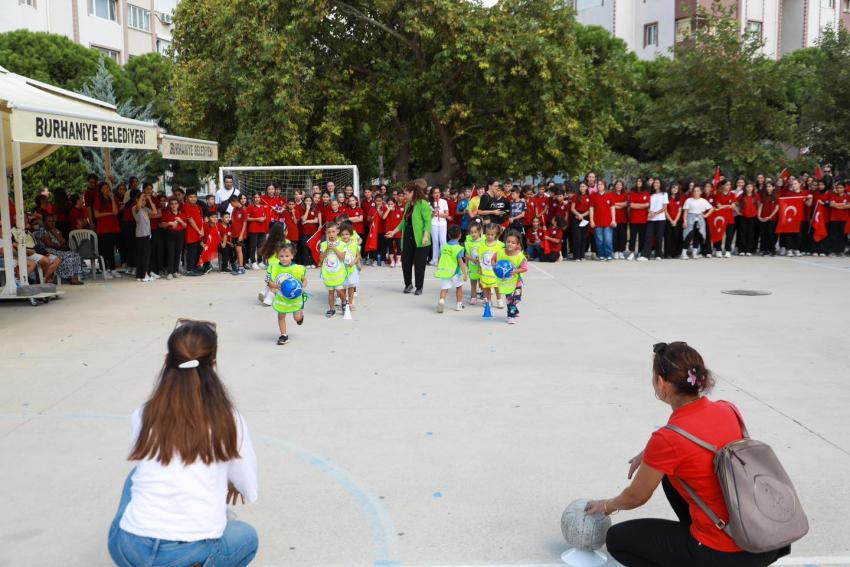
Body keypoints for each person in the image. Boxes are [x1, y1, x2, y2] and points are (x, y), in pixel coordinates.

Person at [585, 341, 789, 567]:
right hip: (761, 540)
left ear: (662, 383)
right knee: (670, 480)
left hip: (723, 554)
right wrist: (650, 453)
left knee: (618, 540)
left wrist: (606, 506)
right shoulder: (727, 408)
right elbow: (699, 440)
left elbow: (636, 497)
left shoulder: (668, 439)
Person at [107, 319, 259, 567]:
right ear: (214, 365)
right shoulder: (229, 420)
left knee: (135, 475)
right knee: (247, 538)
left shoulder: (145, 413)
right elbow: (248, 487)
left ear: (167, 361)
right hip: (186, 554)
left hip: (127, 548)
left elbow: (144, 458)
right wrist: (228, 480)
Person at [385, 181, 432, 295]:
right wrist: (394, 232)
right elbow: (403, 221)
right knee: (406, 262)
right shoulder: (408, 205)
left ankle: (419, 287)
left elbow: (428, 222)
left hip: (420, 238)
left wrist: (426, 235)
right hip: (407, 236)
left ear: (413, 192)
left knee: (419, 264)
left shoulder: (423, 204)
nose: (405, 196)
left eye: (406, 193)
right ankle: (408, 284)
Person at [265, 242, 307, 345]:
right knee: (281, 316)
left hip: (295, 297)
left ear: (292, 256)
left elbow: (304, 280)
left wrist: (302, 286)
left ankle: (300, 315)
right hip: (281, 297)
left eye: (287, 256)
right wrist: (275, 286)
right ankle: (284, 335)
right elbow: (269, 282)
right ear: (277, 256)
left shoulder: (297, 268)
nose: (284, 258)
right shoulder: (274, 268)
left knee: (297, 318)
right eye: (281, 256)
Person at [35, 214, 84, 285]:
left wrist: (56, 234)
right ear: (44, 222)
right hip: (48, 251)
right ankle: (71, 278)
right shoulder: (42, 231)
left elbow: (63, 241)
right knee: (70, 255)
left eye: (53, 221)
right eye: (49, 221)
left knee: (75, 255)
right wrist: (59, 245)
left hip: (58, 250)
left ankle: (74, 278)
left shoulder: (55, 230)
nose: (52, 223)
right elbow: (49, 244)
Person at [493, 229, 527, 324]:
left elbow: (524, 268)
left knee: (516, 299)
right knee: (509, 299)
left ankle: (514, 310)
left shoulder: (520, 256)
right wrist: (494, 266)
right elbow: (493, 259)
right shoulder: (501, 252)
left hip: (517, 282)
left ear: (517, 244)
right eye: (508, 241)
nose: (510, 244)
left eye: (513, 242)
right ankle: (511, 315)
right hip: (506, 282)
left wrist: (515, 271)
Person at [435, 224, 468, 313]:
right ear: (460, 235)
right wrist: (464, 273)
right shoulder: (459, 248)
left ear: (449, 235)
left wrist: (439, 266)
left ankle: (441, 300)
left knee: (444, 289)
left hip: (445, 272)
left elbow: (440, 257)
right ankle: (459, 304)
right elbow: (461, 262)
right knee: (459, 287)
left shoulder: (444, 246)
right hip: (455, 272)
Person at [93, 181, 122, 278]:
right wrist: (108, 214)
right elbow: (96, 215)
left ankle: (113, 269)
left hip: (113, 227)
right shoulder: (98, 200)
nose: (107, 190)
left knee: (112, 250)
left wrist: (112, 198)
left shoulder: (112, 199)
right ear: (100, 190)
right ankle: (105, 270)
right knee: (105, 250)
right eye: (104, 188)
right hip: (103, 228)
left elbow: (116, 212)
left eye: (107, 188)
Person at [256, 223, 289, 306]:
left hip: (270, 267)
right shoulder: (286, 242)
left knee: (271, 282)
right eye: (286, 230)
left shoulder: (269, 242)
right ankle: (269, 299)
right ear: (283, 232)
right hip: (280, 267)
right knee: (277, 285)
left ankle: (263, 292)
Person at [320, 222, 348, 317]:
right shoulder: (323, 245)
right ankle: (332, 309)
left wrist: (335, 248)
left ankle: (344, 301)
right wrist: (327, 249)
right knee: (331, 291)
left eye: (333, 232)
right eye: (329, 232)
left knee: (339, 290)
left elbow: (342, 258)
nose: (331, 234)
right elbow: (321, 258)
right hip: (328, 273)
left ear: (337, 232)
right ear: (326, 233)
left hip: (338, 272)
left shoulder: (343, 244)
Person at [681, 185, 714, 259]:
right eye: (695, 191)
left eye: (698, 191)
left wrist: (705, 215)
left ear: (701, 192)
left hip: (700, 220)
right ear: (692, 192)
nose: (696, 192)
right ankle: (683, 253)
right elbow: (685, 211)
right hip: (690, 220)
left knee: (697, 236)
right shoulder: (688, 200)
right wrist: (685, 221)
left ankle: (694, 253)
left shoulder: (703, 200)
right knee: (688, 236)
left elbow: (711, 209)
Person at [478, 222, 505, 309]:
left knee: (496, 286)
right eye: (488, 234)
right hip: (485, 269)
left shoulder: (500, 245)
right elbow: (480, 257)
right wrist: (479, 267)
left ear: (496, 234)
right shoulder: (482, 244)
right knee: (486, 287)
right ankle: (488, 301)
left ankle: (499, 300)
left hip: (495, 270)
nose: (489, 236)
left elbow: (503, 257)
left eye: (492, 234)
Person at [639, 179, 668, 261]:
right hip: (650, 219)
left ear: (660, 184)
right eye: (654, 182)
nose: (655, 184)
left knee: (659, 238)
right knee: (648, 237)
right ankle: (645, 255)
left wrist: (655, 213)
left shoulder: (664, 194)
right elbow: (648, 205)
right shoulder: (650, 194)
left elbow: (664, 207)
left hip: (660, 218)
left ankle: (658, 254)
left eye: (657, 182)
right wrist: (650, 212)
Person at [132, 191, 158, 282]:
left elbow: (155, 212)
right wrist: (142, 195)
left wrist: (150, 200)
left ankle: (140, 275)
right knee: (144, 256)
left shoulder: (146, 209)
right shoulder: (135, 208)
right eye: (142, 200)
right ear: (137, 200)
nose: (144, 202)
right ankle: (144, 274)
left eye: (144, 200)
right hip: (141, 234)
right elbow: (138, 206)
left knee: (144, 255)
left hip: (147, 234)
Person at [589, 180, 616, 261]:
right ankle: (601, 255)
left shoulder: (609, 195)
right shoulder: (594, 195)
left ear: (605, 186)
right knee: (599, 240)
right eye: (598, 184)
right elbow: (591, 209)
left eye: (601, 184)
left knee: (608, 240)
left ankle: (609, 254)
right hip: (597, 222)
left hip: (608, 222)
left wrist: (613, 220)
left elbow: (612, 208)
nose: (600, 186)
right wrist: (591, 221)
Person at [161, 198, 187, 279]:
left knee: (177, 253)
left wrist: (180, 220)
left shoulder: (181, 214)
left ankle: (176, 271)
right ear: (169, 205)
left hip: (180, 234)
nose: (174, 205)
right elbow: (162, 225)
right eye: (172, 204)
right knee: (170, 253)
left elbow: (185, 226)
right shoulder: (167, 213)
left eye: (175, 203)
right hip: (170, 234)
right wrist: (169, 223)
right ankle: (170, 272)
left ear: (178, 205)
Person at [339, 222, 362, 311]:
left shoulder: (354, 243)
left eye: (347, 234)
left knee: (351, 287)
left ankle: (351, 302)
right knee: (343, 287)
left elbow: (358, 256)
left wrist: (354, 262)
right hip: (342, 269)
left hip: (352, 269)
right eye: (343, 235)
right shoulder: (339, 244)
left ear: (351, 234)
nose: (345, 236)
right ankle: (344, 303)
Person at [627, 178, 649, 260]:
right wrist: (642, 205)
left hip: (643, 219)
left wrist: (637, 205)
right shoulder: (632, 193)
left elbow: (647, 204)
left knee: (642, 237)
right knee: (632, 236)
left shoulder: (646, 193)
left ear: (643, 183)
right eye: (637, 181)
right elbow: (631, 205)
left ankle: (640, 252)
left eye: (640, 181)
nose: (638, 182)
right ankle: (632, 252)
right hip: (633, 219)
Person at [826, 181, 849, 256]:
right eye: (837, 188)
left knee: (842, 236)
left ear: (844, 188)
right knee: (833, 235)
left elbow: (848, 206)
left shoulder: (847, 196)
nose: (839, 189)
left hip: (844, 219)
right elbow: (832, 204)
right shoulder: (833, 196)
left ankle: (841, 251)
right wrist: (843, 205)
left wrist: (837, 205)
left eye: (840, 188)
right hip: (834, 218)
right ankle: (833, 251)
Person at [570, 182, 590, 261]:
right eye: (581, 186)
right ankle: (576, 256)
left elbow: (590, 210)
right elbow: (572, 208)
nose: (582, 188)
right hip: (576, 217)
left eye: (584, 186)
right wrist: (579, 215)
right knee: (577, 238)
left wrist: (583, 215)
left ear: (586, 187)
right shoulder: (575, 196)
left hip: (585, 218)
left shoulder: (589, 197)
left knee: (583, 237)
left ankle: (582, 256)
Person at [758, 182, 779, 256]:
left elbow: (777, 208)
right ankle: (764, 249)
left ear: (773, 187)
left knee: (771, 234)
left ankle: (772, 250)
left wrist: (770, 217)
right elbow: (761, 206)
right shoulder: (764, 196)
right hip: (763, 217)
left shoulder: (776, 196)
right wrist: (759, 216)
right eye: (767, 187)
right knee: (763, 234)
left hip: (772, 218)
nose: (768, 188)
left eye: (770, 186)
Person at [429, 187, 449, 265]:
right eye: (435, 193)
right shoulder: (429, 203)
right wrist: (435, 211)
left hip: (443, 223)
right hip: (433, 223)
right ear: (432, 194)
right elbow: (430, 216)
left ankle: (444, 259)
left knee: (443, 241)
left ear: (440, 193)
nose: (437, 194)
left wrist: (439, 214)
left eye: (438, 192)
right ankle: (435, 260)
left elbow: (447, 214)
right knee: (435, 241)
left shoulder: (444, 201)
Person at [299, 196, 320, 267]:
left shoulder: (314, 209)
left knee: (311, 248)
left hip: (312, 232)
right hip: (304, 232)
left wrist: (307, 221)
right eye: (307, 201)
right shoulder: (301, 209)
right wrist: (307, 210)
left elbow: (316, 220)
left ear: (312, 202)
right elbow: (303, 219)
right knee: (305, 248)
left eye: (310, 201)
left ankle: (312, 263)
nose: (308, 202)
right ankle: (306, 263)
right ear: (304, 201)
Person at [229, 195, 248, 275]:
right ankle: (239, 266)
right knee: (236, 250)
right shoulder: (234, 209)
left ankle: (241, 267)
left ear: (235, 201)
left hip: (240, 234)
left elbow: (244, 223)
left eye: (231, 203)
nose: (231, 205)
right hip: (234, 234)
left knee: (239, 250)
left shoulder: (243, 210)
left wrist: (241, 235)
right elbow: (233, 222)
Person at [382, 198, 403, 268]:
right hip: (389, 231)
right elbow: (384, 217)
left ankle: (398, 261)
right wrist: (388, 209)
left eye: (392, 204)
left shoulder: (399, 210)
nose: (390, 205)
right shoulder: (386, 210)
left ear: (395, 204)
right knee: (390, 247)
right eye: (389, 204)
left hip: (397, 231)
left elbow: (402, 221)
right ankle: (392, 261)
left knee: (399, 246)